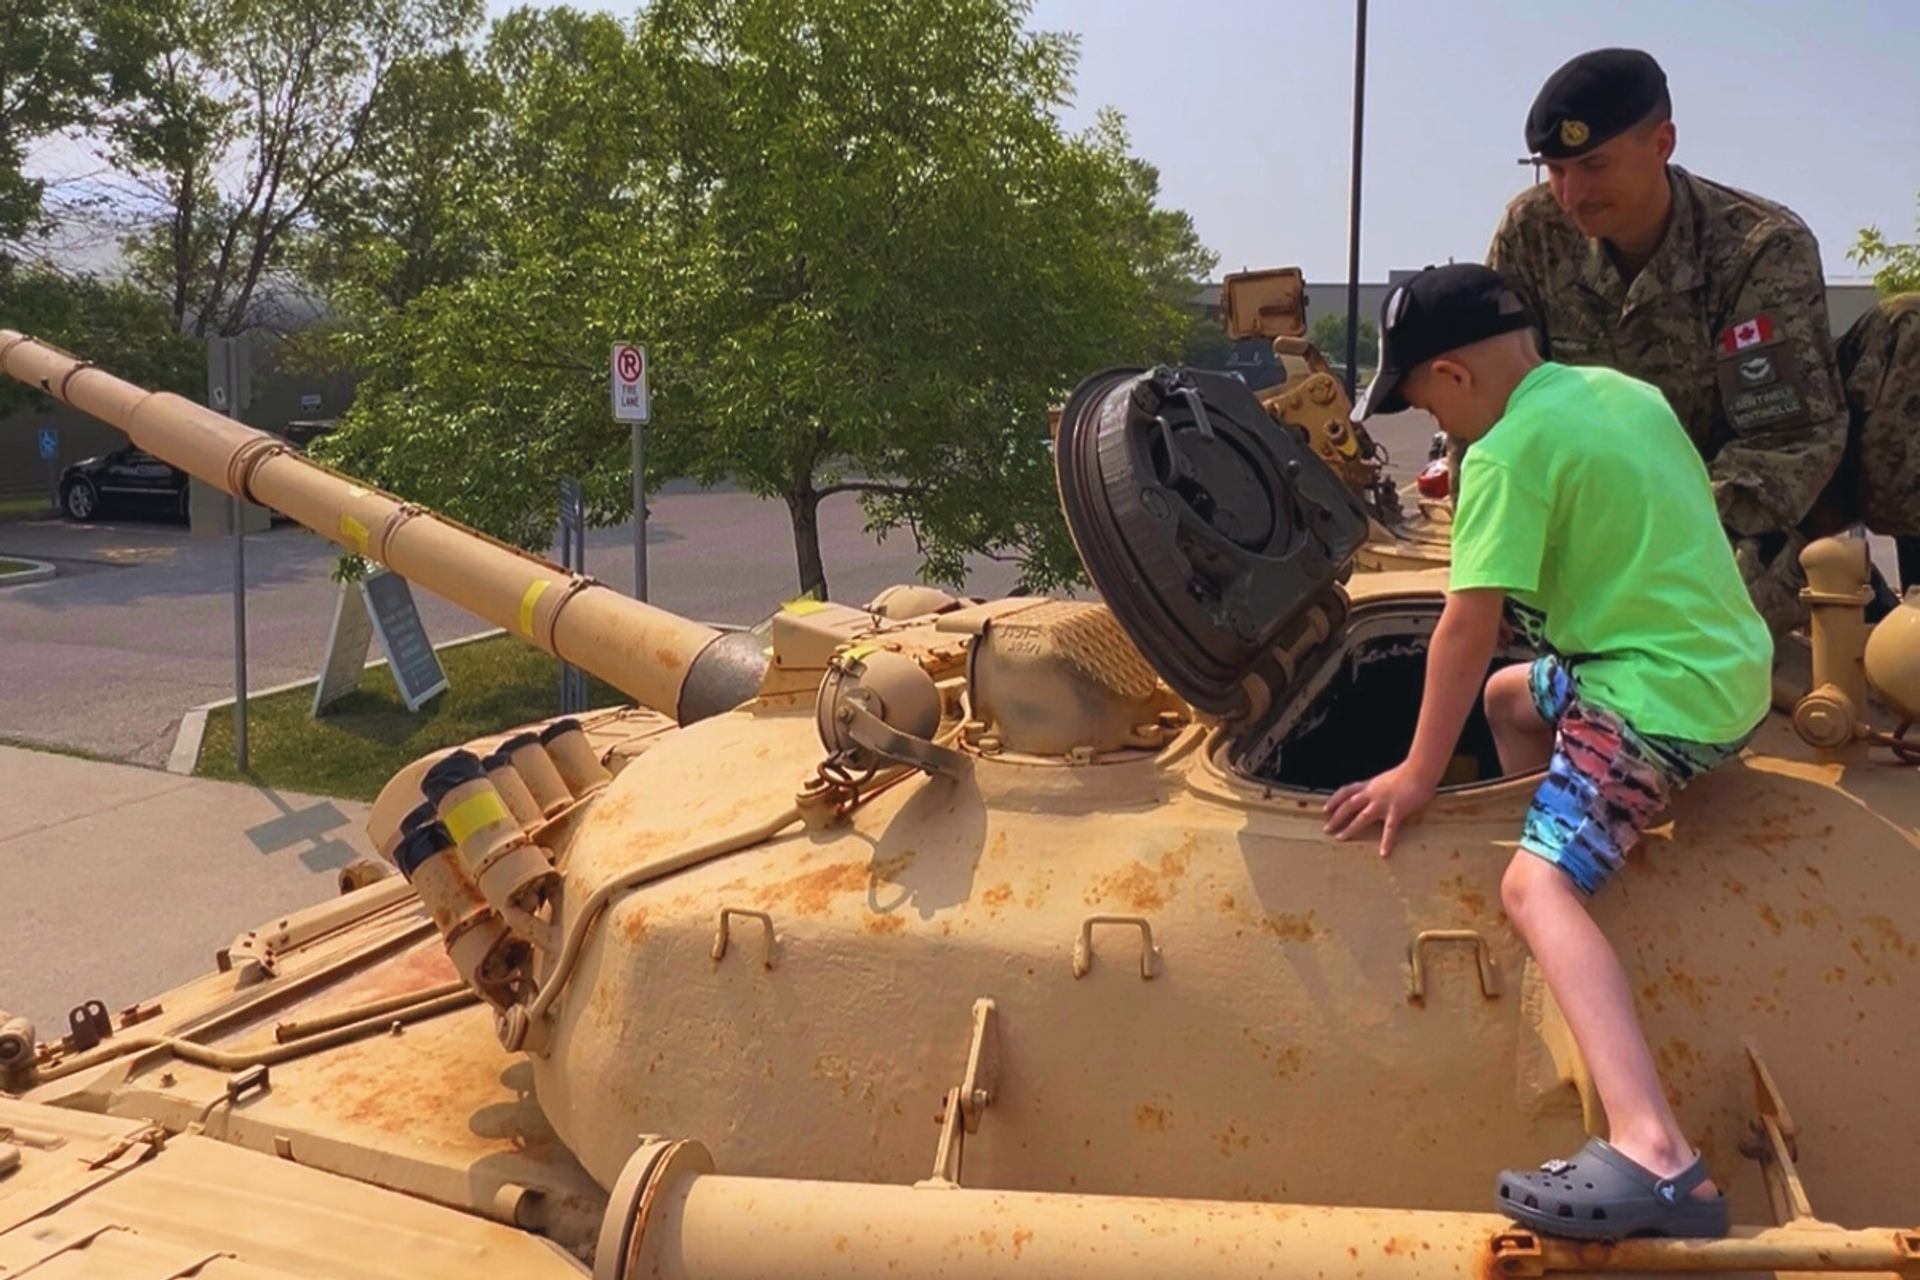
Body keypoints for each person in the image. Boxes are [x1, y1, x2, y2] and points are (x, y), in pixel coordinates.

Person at [1327, 264, 1770, 1239]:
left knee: (1534, 888)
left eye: (1419, 400)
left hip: (1651, 696)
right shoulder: (1619, 392)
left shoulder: (1505, 455)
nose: (1429, 420)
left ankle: (1658, 1154)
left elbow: (1464, 625)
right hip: (1727, 670)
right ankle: (1554, 800)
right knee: (1509, 699)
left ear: (1451, 374)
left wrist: (1416, 770)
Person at [1475, 47, 1920, 629]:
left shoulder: (1759, 246)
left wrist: (1663, 535)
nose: (1570, 194)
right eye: (1555, 170)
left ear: (1662, 144)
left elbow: (1790, 437)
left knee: (1908, 329)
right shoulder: (1532, 234)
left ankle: (1891, 611)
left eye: (1594, 166)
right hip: (1592, 508)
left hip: (1733, 512)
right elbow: (1490, 396)